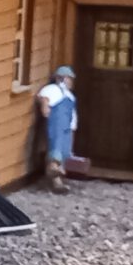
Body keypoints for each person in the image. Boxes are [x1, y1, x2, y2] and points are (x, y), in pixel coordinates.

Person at [37, 64, 78, 194]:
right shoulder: (52, 89)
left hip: (67, 126)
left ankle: (57, 183)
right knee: (55, 148)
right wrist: (45, 107)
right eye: (69, 78)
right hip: (56, 125)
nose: (71, 82)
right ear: (61, 78)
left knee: (64, 151)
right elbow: (44, 99)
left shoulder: (70, 96)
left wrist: (72, 130)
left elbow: (72, 114)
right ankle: (53, 169)